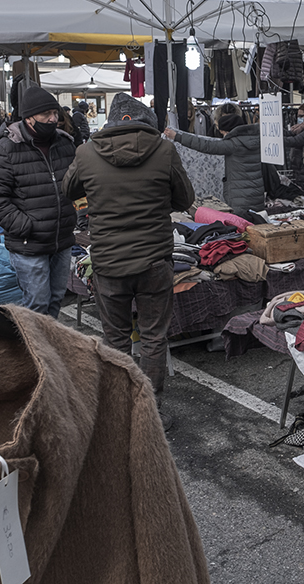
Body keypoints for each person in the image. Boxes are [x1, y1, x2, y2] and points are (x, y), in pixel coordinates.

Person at [63, 94, 194, 415]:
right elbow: (184, 199)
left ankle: (121, 409)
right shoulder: (164, 150)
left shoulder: (86, 152)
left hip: (108, 262)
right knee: (153, 337)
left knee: (116, 338)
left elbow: (68, 191)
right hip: (154, 260)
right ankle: (150, 410)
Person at [0, 86, 78, 318]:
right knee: (37, 302)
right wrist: (26, 226)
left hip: (62, 239)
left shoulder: (66, 144)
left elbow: (77, 184)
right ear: (29, 117)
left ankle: (50, 348)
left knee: (56, 299)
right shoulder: (5, 149)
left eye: (55, 113)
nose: (53, 119)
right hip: (29, 244)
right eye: (46, 114)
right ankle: (32, 351)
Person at [165, 111, 264, 210]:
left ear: (225, 130)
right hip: (257, 194)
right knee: (257, 221)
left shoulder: (233, 144)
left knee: (242, 223)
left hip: (240, 197)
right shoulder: (257, 140)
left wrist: (178, 137)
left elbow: (206, 145)